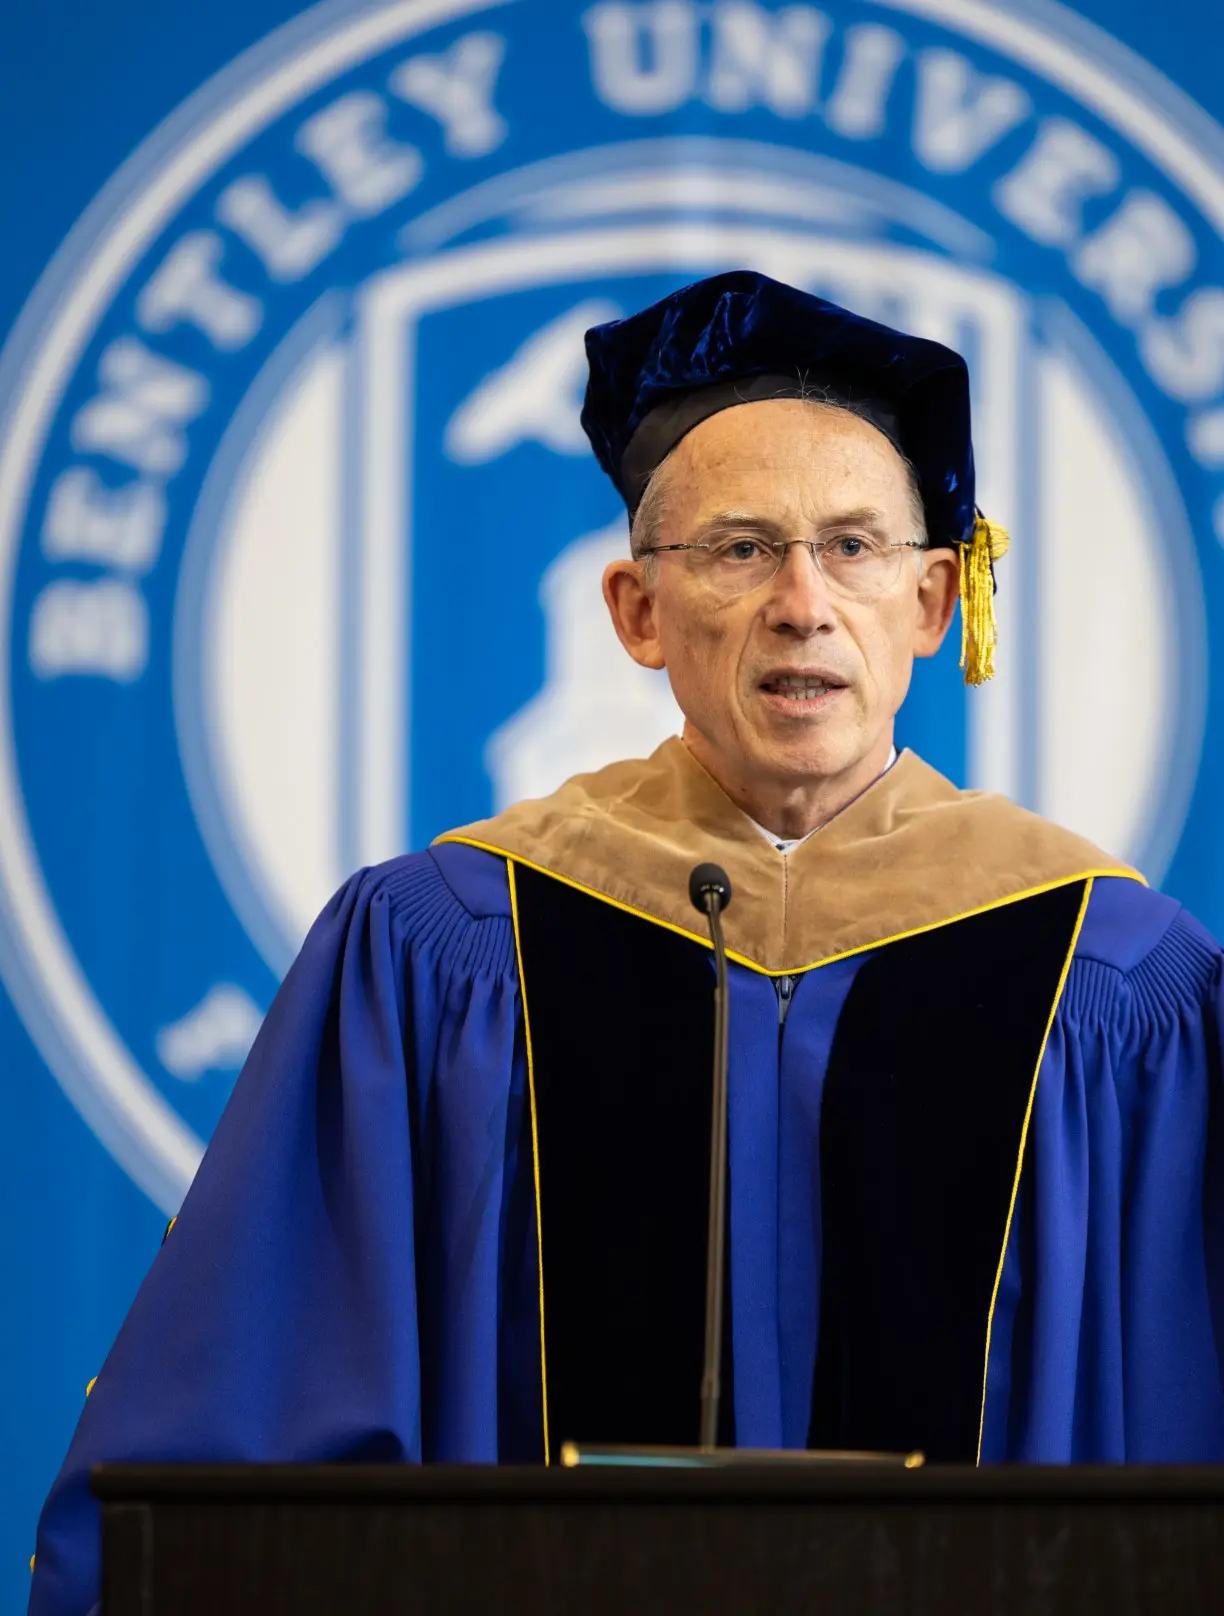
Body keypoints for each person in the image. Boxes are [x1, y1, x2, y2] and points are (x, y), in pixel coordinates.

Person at [30, 270, 1224, 1615]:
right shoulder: (444, 947)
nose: (803, 603)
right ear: (637, 612)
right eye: (740, 549)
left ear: (934, 603)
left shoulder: (1116, 980)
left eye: (853, 547)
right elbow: (247, 1412)